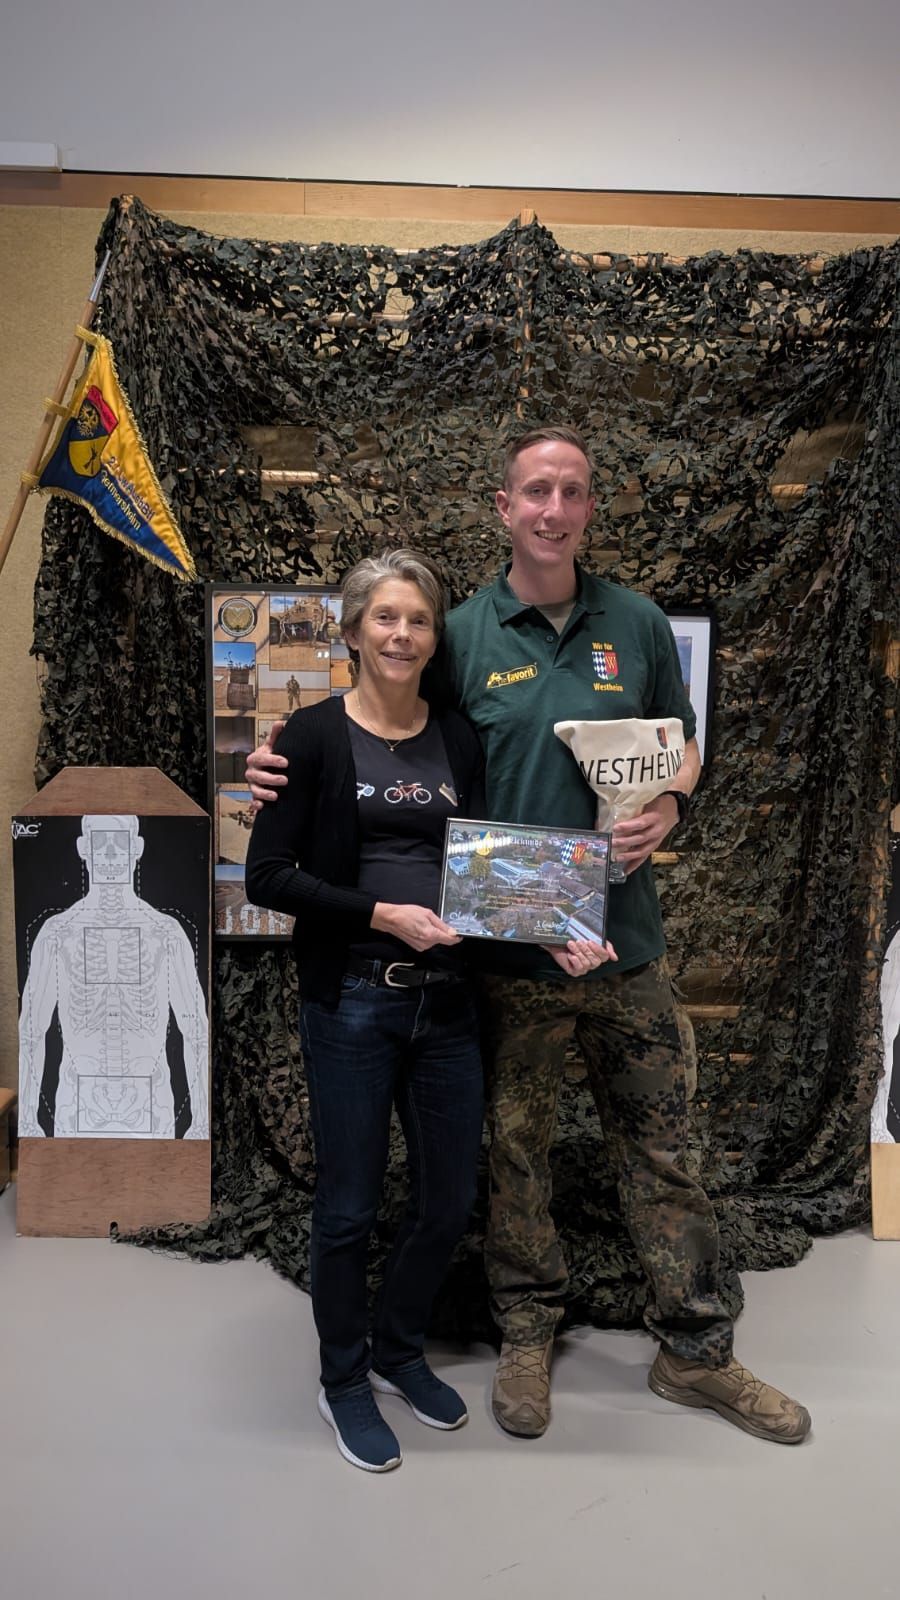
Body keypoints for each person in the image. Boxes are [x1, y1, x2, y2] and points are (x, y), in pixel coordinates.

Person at [247, 430, 811, 1447]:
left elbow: (684, 746)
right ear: (504, 507)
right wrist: (281, 761)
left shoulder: (636, 623)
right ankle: (525, 1335)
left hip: (627, 943)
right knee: (515, 1154)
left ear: (590, 507)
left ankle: (696, 1350)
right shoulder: (460, 634)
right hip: (510, 955)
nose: (555, 508)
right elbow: (390, 727)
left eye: (573, 491)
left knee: (665, 1149)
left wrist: (672, 805)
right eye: (536, 490)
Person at [245, 546, 616, 1473]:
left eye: (417, 620)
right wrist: (381, 914)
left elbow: (481, 877)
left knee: (448, 1202)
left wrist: (549, 931)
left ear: (432, 637)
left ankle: (398, 1350)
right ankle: (342, 1379)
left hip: (447, 1005)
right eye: (384, 617)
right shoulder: (311, 738)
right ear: (352, 631)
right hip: (352, 1002)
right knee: (348, 1207)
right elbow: (269, 877)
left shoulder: (456, 736)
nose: (402, 634)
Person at [18, 814, 208, 1140]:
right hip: (77, 1110)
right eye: (99, 841)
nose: (109, 853)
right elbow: (31, 1030)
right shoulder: (57, 934)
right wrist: (26, 1121)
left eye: (118, 841)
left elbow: (196, 1031)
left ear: (137, 848)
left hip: (151, 1110)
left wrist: (200, 1123)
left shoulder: (165, 934)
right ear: (83, 848)